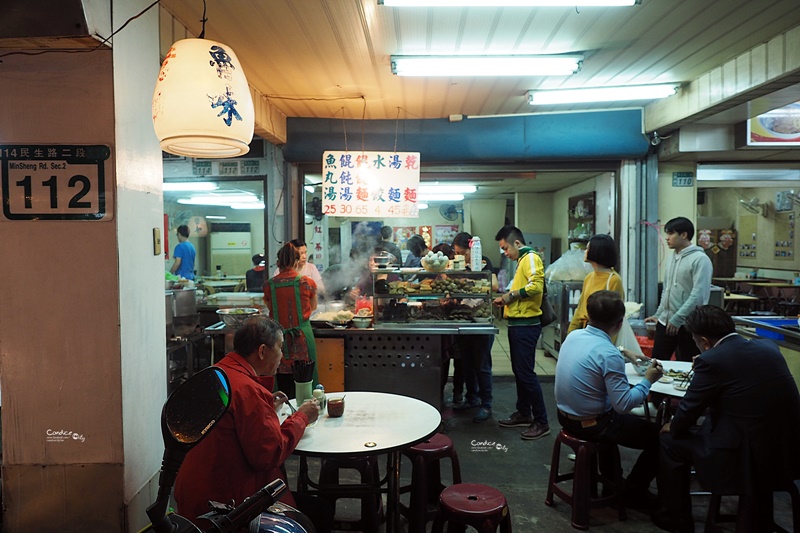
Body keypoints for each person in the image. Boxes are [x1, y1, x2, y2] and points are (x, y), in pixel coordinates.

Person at [175, 316, 331, 532]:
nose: (282, 357)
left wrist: (267, 409)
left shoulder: (217, 373)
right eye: (280, 348)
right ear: (262, 351)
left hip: (192, 497)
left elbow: (234, 425)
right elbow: (269, 453)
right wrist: (302, 416)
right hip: (224, 507)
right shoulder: (247, 389)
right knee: (319, 512)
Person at [653, 306, 800, 533]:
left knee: (669, 441)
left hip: (744, 458)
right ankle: (759, 517)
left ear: (704, 341)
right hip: (786, 451)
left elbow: (688, 412)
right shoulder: (768, 347)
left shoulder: (711, 361)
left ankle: (675, 520)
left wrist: (671, 425)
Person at [556, 290, 664, 510]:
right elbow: (623, 405)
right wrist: (647, 380)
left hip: (565, 417)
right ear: (619, 323)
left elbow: (595, 350)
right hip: (591, 425)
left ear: (588, 315)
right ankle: (633, 491)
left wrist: (624, 352)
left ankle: (611, 484)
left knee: (610, 419)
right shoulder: (608, 354)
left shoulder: (574, 335)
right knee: (661, 438)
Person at [492, 225, 550, 440]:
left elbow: (536, 287)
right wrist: (507, 297)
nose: (505, 252)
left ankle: (542, 421)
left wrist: (510, 296)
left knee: (526, 374)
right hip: (518, 323)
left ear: (517, 243)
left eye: (506, 248)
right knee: (520, 372)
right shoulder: (521, 260)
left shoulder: (531, 257)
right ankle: (524, 413)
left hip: (527, 325)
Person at [645, 217, 712, 362]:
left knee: (688, 364)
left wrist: (678, 318)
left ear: (684, 235)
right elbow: (667, 290)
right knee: (656, 363)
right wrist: (658, 314)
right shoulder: (673, 257)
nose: (667, 238)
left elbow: (698, 295)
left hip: (688, 324)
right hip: (666, 322)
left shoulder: (700, 259)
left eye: (670, 234)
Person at [452, 232, 497, 423]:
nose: (459, 256)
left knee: (482, 365)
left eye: (462, 252)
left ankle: (486, 404)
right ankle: (472, 398)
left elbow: (494, 286)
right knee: (467, 363)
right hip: (464, 318)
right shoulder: (458, 265)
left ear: (471, 248)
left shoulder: (484, 262)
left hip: (480, 319)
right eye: (456, 253)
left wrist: (471, 282)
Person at [265, 242, 319, 397]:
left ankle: (282, 416)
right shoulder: (307, 283)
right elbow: (313, 307)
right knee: (306, 382)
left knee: (282, 384)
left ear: (278, 263)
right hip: (302, 337)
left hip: (278, 340)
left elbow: (271, 308)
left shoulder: (268, 285)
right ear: (296, 262)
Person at [567, 234, 624, 334]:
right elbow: (580, 308)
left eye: (588, 248)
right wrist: (571, 332)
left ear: (596, 251)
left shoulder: (614, 280)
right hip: (584, 330)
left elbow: (615, 317)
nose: (585, 251)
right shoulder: (589, 277)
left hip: (601, 334)